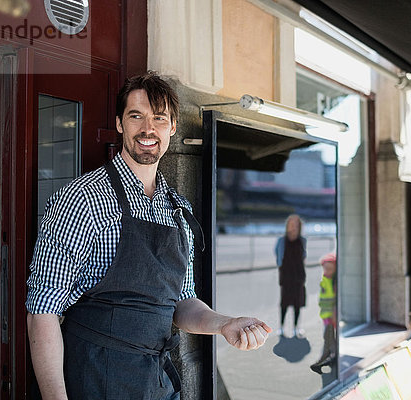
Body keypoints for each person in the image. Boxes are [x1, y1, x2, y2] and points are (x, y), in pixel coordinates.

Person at [26, 72, 271, 400]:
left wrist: (224, 324)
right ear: (119, 124)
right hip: (95, 379)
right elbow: (42, 309)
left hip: (155, 382)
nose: (147, 129)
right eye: (136, 116)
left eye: (158, 118)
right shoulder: (83, 198)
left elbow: (181, 302)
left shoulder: (177, 209)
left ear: (172, 127)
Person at [275, 214, 307, 337]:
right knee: (284, 303)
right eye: (291, 224)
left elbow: (304, 256)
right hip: (286, 276)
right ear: (287, 225)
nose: (293, 227)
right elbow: (278, 255)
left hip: (299, 277)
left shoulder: (302, 240)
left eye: (296, 224)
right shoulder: (282, 241)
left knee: (297, 303)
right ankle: (281, 327)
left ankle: (296, 327)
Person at [310, 252, 337, 374]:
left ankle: (321, 362)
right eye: (325, 268)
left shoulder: (335, 282)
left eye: (330, 269)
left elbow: (333, 300)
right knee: (330, 340)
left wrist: (333, 315)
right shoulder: (326, 279)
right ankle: (329, 360)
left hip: (332, 316)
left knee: (329, 341)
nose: (327, 271)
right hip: (326, 316)